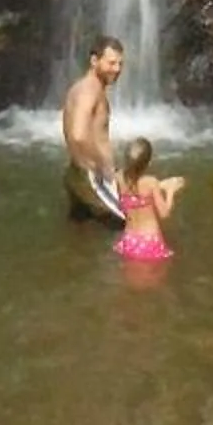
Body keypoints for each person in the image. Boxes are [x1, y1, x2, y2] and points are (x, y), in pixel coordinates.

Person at [60, 36, 127, 223]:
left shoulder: (83, 88)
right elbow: (78, 135)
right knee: (128, 226)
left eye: (120, 64)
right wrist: (104, 167)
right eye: (112, 63)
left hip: (78, 171)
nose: (117, 69)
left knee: (83, 232)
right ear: (94, 61)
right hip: (92, 176)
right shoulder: (90, 90)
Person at [113, 136, 183, 262]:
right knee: (154, 279)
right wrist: (170, 191)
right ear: (149, 162)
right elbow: (164, 213)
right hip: (150, 241)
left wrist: (160, 185)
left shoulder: (118, 178)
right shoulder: (151, 182)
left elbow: (133, 197)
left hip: (129, 240)